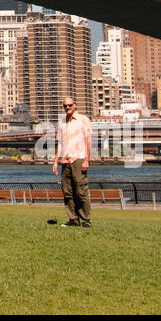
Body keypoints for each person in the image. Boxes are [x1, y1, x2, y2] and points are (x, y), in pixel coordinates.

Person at [52, 96, 92, 227]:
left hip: (78, 159)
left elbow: (88, 141)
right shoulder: (62, 122)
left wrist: (86, 160)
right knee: (67, 192)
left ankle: (85, 220)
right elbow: (60, 143)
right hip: (65, 161)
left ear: (74, 105)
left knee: (81, 191)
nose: (67, 108)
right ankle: (73, 219)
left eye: (69, 105)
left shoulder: (83, 120)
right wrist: (55, 161)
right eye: (65, 106)